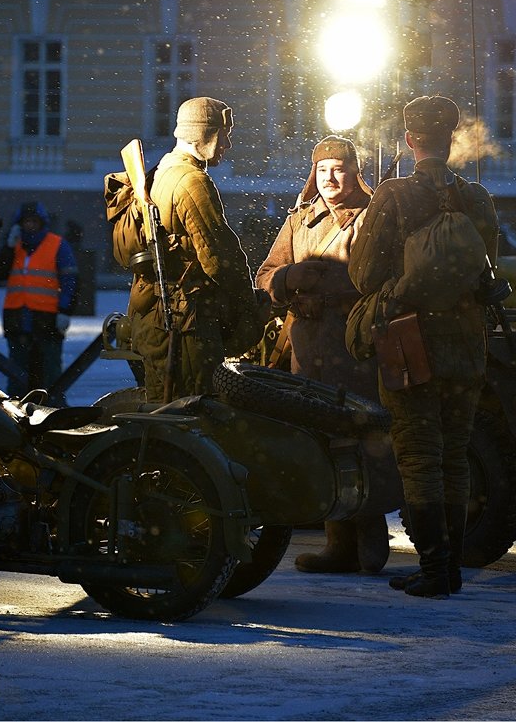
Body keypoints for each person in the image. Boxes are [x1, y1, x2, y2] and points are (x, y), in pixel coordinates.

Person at [348, 95, 500, 598]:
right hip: (466, 344)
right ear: (452, 139)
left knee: (418, 457)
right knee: (454, 455)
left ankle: (435, 570)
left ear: (410, 140)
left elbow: (364, 274)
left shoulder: (392, 197)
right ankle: (449, 567)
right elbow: (485, 271)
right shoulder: (476, 198)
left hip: (410, 343)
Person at [256, 135, 390, 575]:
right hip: (308, 355)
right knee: (322, 445)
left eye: (339, 169)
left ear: (355, 172)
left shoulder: (374, 217)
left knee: (362, 442)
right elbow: (266, 275)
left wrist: (323, 291)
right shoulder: (301, 218)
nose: (330, 178)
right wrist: (290, 278)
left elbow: (380, 280)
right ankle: (338, 544)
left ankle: (371, 541)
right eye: (322, 169)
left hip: (355, 351)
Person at [128, 96, 268, 402]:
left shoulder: (162, 170)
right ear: (204, 134)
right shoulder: (193, 182)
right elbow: (219, 258)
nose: (227, 145)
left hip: (158, 320)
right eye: (223, 135)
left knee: (163, 415)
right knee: (194, 414)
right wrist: (250, 305)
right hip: (186, 327)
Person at [0, 201, 78, 404]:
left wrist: (65, 310)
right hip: (17, 320)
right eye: (26, 221)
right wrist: (9, 248)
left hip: (47, 321)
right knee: (17, 375)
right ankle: (16, 414)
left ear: (42, 223)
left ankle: (53, 411)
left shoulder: (56, 244)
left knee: (50, 374)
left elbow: (70, 280)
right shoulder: (14, 246)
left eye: (33, 221)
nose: (30, 225)